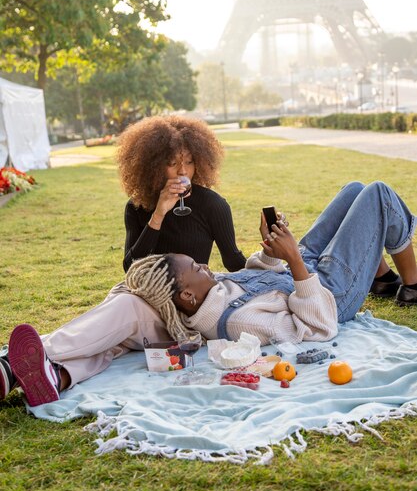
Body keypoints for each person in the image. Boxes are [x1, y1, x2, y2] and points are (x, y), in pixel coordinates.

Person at [1, 181, 416, 407]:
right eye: (197, 268)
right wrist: (295, 263)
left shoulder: (212, 292)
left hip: (298, 269)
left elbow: (256, 279)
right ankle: (410, 285)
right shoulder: (236, 321)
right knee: (377, 194)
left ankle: (44, 371)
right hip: (328, 291)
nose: (206, 265)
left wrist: (272, 254)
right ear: (185, 297)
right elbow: (319, 326)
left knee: (353, 189)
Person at [116, 114, 246, 273]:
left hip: (194, 293)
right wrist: (158, 215)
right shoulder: (137, 206)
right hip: (148, 291)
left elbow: (234, 263)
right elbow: (130, 269)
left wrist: (268, 255)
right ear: (154, 166)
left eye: (189, 162)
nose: (183, 171)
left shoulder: (212, 205)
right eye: (172, 163)